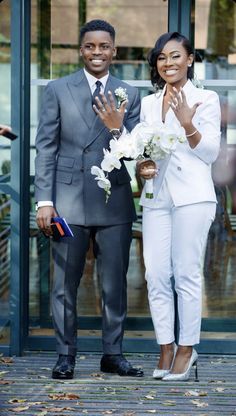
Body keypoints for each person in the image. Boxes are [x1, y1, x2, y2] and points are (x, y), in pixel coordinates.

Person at [95, 32, 221, 381]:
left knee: (185, 273)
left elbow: (208, 153)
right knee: (154, 275)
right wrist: (135, 157)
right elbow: (141, 152)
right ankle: (165, 345)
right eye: (162, 57)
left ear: (190, 59)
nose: (168, 63)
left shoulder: (206, 98)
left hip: (194, 198)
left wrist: (186, 122)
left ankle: (187, 347)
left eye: (176, 56)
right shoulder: (149, 103)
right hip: (156, 198)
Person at [34, 19, 143, 379]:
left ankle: (112, 353)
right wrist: (44, 201)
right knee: (65, 283)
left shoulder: (130, 92)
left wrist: (117, 126)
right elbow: (46, 148)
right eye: (90, 46)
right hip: (67, 200)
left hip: (114, 201)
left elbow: (135, 152)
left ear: (114, 49)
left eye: (104, 46)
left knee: (114, 284)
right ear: (82, 50)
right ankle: (65, 355)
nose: (97, 52)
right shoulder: (57, 89)